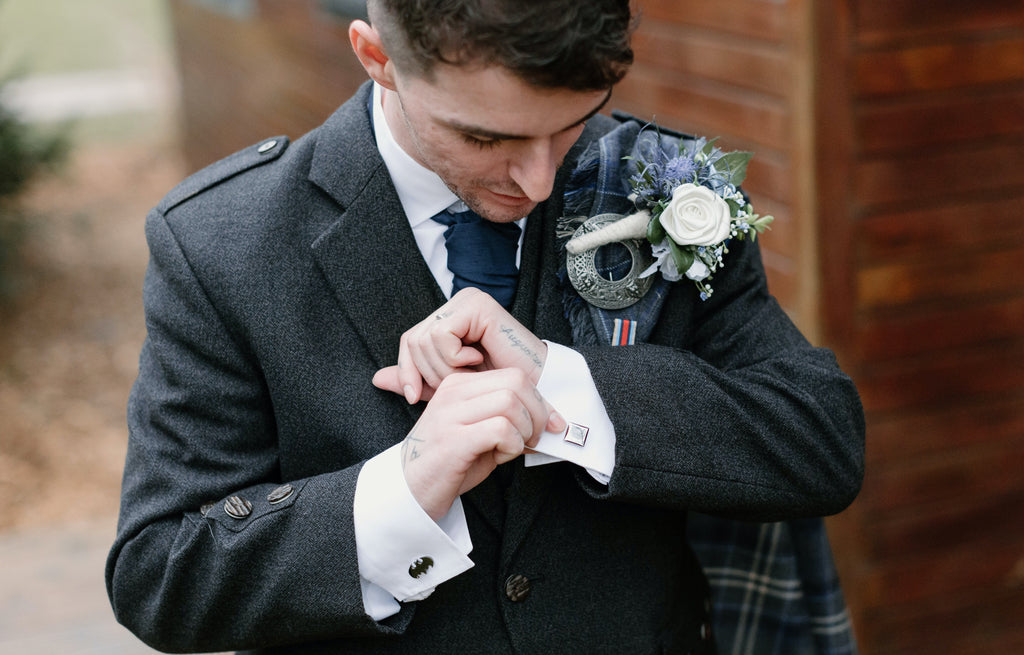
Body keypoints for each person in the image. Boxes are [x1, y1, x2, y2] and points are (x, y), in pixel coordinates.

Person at [106, 1, 865, 653]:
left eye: (570, 125)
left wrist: (565, 390)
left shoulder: (666, 186)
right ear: (377, 58)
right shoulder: (220, 243)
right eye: (484, 139)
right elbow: (161, 573)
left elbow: (821, 440)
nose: (537, 179)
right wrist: (398, 494)